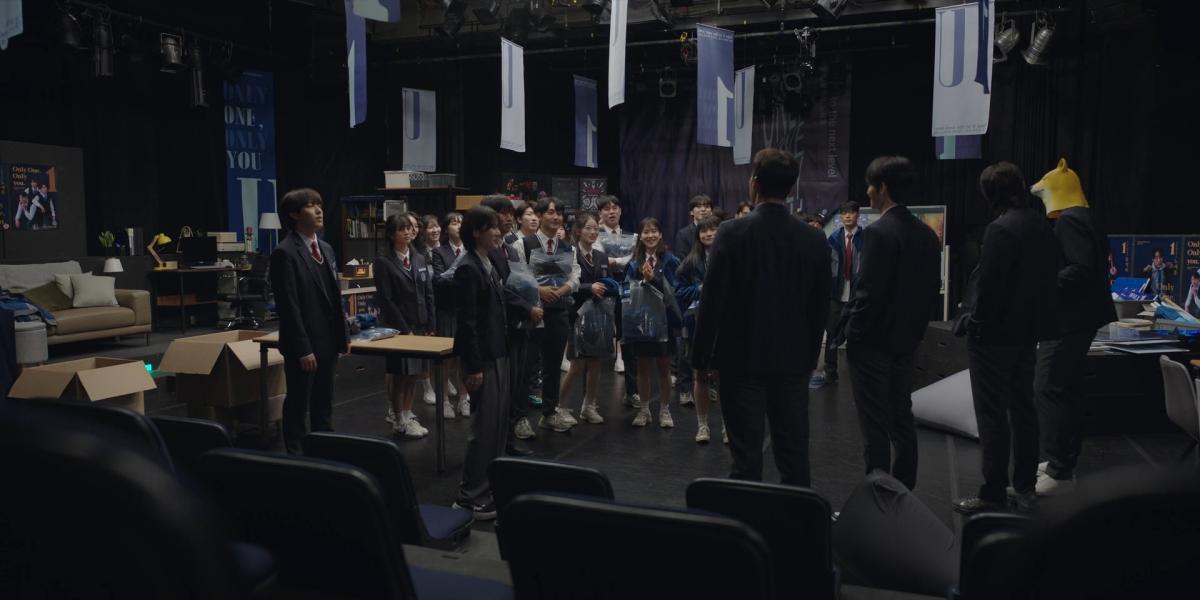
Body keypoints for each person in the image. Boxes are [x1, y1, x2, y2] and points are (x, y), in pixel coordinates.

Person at [692, 148, 830, 484]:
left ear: (754, 183)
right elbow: (819, 306)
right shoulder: (814, 238)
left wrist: (700, 358)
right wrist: (810, 357)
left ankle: (747, 516)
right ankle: (797, 515)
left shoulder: (731, 232)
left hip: (740, 362)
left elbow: (712, 301)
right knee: (794, 458)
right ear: (791, 188)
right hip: (792, 363)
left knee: (745, 458)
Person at [953, 162, 1059, 514]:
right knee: (1024, 410)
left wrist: (976, 323)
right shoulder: (1041, 225)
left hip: (993, 337)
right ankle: (1025, 487)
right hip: (1026, 334)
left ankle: (993, 492)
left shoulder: (1000, 229)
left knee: (992, 416)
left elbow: (989, 288)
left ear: (990, 193)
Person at [843, 156, 941, 491]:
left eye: (870, 186)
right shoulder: (927, 235)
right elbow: (930, 291)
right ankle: (903, 493)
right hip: (907, 342)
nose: (867, 193)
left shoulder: (879, 232)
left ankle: (878, 496)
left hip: (872, 344)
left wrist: (853, 336)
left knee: (874, 424)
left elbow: (868, 294)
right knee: (902, 417)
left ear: (882, 188)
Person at [1033, 160, 1117, 497]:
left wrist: (1041, 284)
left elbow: (1079, 269)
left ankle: (1059, 469)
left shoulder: (1070, 220)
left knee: (1048, 386)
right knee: (1064, 388)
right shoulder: (1086, 218)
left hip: (1069, 320)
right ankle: (1061, 461)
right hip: (1081, 319)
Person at [269, 188, 351, 455]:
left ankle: (324, 447)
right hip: (303, 343)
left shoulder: (326, 248)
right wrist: (303, 348)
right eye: (310, 205)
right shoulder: (284, 252)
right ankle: (295, 454)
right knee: (298, 402)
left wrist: (343, 335)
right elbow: (288, 306)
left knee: (324, 401)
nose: (318, 210)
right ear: (294, 214)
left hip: (328, 339)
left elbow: (334, 296)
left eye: (319, 204)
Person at [451, 206, 510, 520]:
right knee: (483, 428)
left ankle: (488, 487)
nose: (499, 232)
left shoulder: (491, 261)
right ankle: (469, 496)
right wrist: (473, 366)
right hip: (482, 358)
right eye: (493, 227)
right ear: (476, 232)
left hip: (498, 352)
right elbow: (468, 323)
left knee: (496, 427)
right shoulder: (468, 268)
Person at [480, 195, 542, 457]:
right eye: (502, 213)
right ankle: (495, 446)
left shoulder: (511, 248)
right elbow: (501, 289)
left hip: (519, 326)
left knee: (516, 384)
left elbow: (521, 281)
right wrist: (527, 307)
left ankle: (508, 438)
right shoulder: (486, 251)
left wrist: (532, 300)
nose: (508, 218)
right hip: (500, 328)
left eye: (509, 213)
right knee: (499, 391)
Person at [512, 197, 581, 433]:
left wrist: (563, 290)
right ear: (539, 216)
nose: (556, 217)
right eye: (550, 212)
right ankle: (519, 417)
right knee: (527, 365)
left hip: (559, 310)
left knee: (553, 365)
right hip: (532, 312)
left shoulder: (568, 247)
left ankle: (549, 413)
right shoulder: (523, 244)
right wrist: (538, 290)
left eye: (559, 213)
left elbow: (575, 276)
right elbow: (516, 276)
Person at [374, 213, 437, 440]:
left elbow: (428, 292)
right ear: (392, 234)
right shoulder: (383, 261)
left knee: (414, 374)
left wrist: (431, 324)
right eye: (403, 229)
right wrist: (404, 329)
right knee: (400, 375)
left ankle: (408, 414)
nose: (409, 232)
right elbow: (387, 300)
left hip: (420, 324)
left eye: (410, 228)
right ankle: (398, 417)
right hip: (399, 329)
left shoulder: (419, 257)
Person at [625, 217, 682, 428]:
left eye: (654, 231)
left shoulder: (670, 260)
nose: (650, 235)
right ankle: (644, 410)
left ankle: (665, 410)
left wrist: (653, 280)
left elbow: (675, 292)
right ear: (640, 236)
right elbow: (627, 289)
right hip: (641, 322)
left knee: (664, 367)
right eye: (646, 232)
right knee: (642, 368)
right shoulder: (635, 261)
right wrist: (641, 281)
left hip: (664, 322)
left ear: (661, 234)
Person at [559, 213, 612, 424]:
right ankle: (561, 406)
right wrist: (590, 287)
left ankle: (589, 406)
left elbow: (608, 282)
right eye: (588, 228)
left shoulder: (601, 256)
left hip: (598, 315)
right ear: (579, 230)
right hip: (576, 314)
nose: (592, 232)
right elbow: (566, 283)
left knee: (596, 362)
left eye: (596, 229)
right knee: (577, 364)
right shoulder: (569, 253)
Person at [676, 215, 723, 443]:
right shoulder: (690, 261)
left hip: (725, 325)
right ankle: (702, 425)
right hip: (697, 325)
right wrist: (700, 290)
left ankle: (727, 426)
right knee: (700, 375)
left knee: (723, 376)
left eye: (713, 229)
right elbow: (679, 291)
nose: (708, 234)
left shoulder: (731, 257)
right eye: (704, 231)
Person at [811, 201, 863, 390]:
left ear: (857, 215)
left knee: (857, 336)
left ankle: (859, 375)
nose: (847, 216)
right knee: (832, 334)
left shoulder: (866, 238)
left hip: (858, 295)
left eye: (851, 212)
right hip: (836, 294)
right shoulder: (833, 239)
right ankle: (830, 372)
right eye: (844, 213)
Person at [430, 212, 470, 420]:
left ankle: (463, 398)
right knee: (446, 359)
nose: (459, 226)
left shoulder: (470, 250)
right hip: (446, 310)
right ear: (446, 228)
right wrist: (460, 276)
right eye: (454, 223)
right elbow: (438, 281)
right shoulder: (439, 252)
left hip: (466, 310)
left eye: (461, 222)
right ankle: (444, 399)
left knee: (464, 357)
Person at [598, 195, 639, 394]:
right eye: (607, 209)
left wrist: (616, 261)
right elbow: (600, 259)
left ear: (621, 211)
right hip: (603, 283)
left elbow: (633, 258)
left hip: (627, 283)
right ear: (600, 213)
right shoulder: (595, 234)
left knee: (624, 320)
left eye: (615, 208)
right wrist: (618, 261)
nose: (611, 212)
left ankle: (621, 357)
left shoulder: (632, 236)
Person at [673, 194, 714, 258]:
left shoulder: (719, 231)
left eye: (707, 206)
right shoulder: (683, 234)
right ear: (691, 212)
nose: (703, 209)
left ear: (711, 212)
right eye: (698, 206)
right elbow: (681, 260)